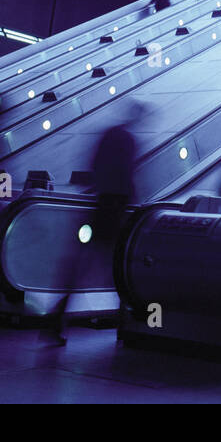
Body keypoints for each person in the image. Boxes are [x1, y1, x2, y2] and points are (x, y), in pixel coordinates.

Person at [47, 102, 145, 345]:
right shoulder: (129, 140)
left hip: (100, 205)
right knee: (119, 268)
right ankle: (129, 324)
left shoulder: (109, 134)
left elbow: (94, 166)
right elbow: (128, 176)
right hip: (116, 208)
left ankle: (55, 321)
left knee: (81, 266)